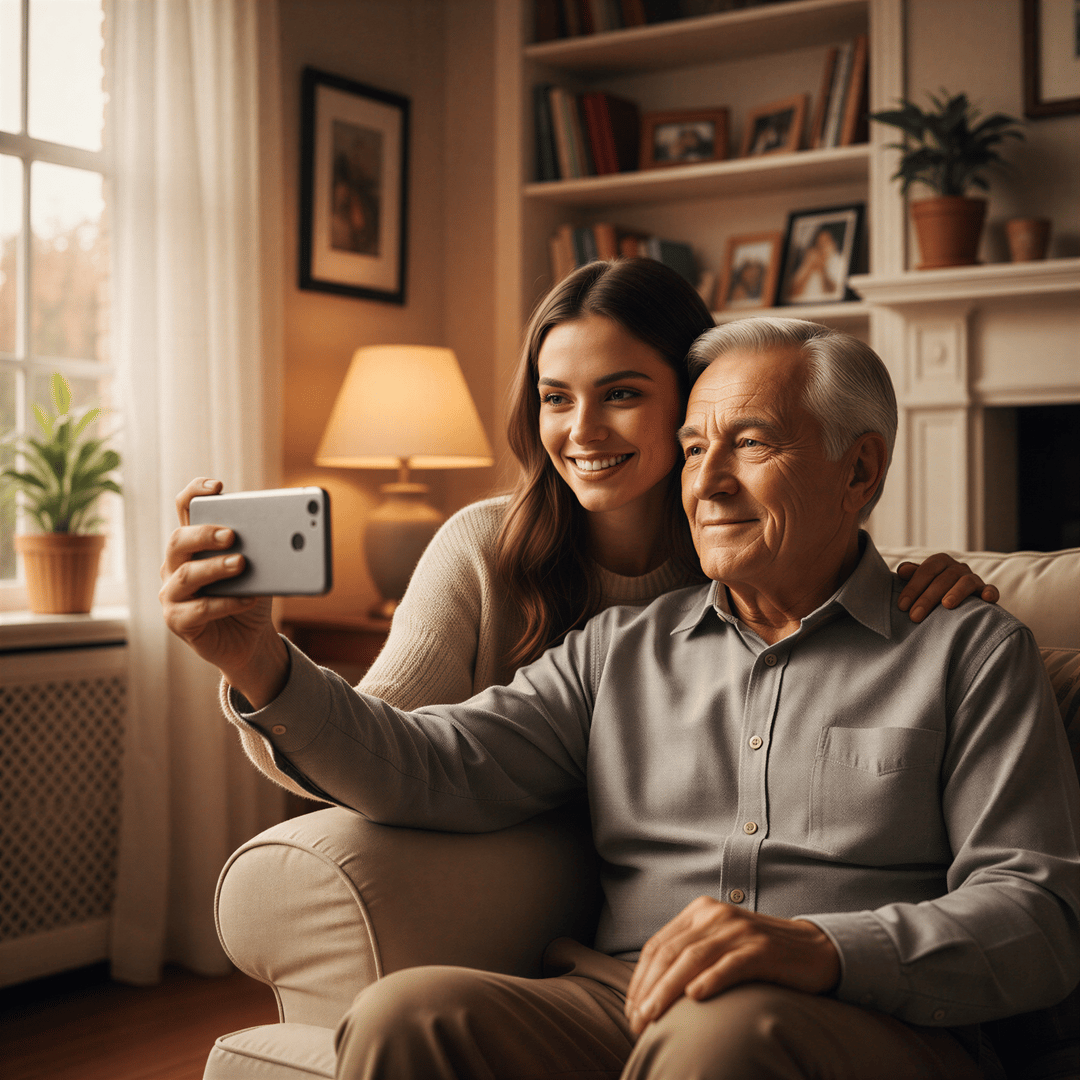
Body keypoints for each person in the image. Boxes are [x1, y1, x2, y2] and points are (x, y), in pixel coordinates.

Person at [163, 316, 1079, 1079]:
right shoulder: (618, 650)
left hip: (865, 1020)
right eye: (694, 448)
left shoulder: (968, 650)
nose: (707, 482)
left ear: (860, 471)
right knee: (406, 1015)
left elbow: (1038, 913)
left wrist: (818, 947)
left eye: (750, 443)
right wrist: (260, 662)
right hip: (625, 1000)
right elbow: (433, 766)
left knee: (720, 1039)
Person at [161, 259, 996, 803]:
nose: (583, 430)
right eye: (556, 398)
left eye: (622, 393)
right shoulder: (483, 548)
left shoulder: (747, 560)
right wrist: (254, 661)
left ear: (695, 399)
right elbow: (377, 751)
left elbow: (843, 622)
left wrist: (931, 587)